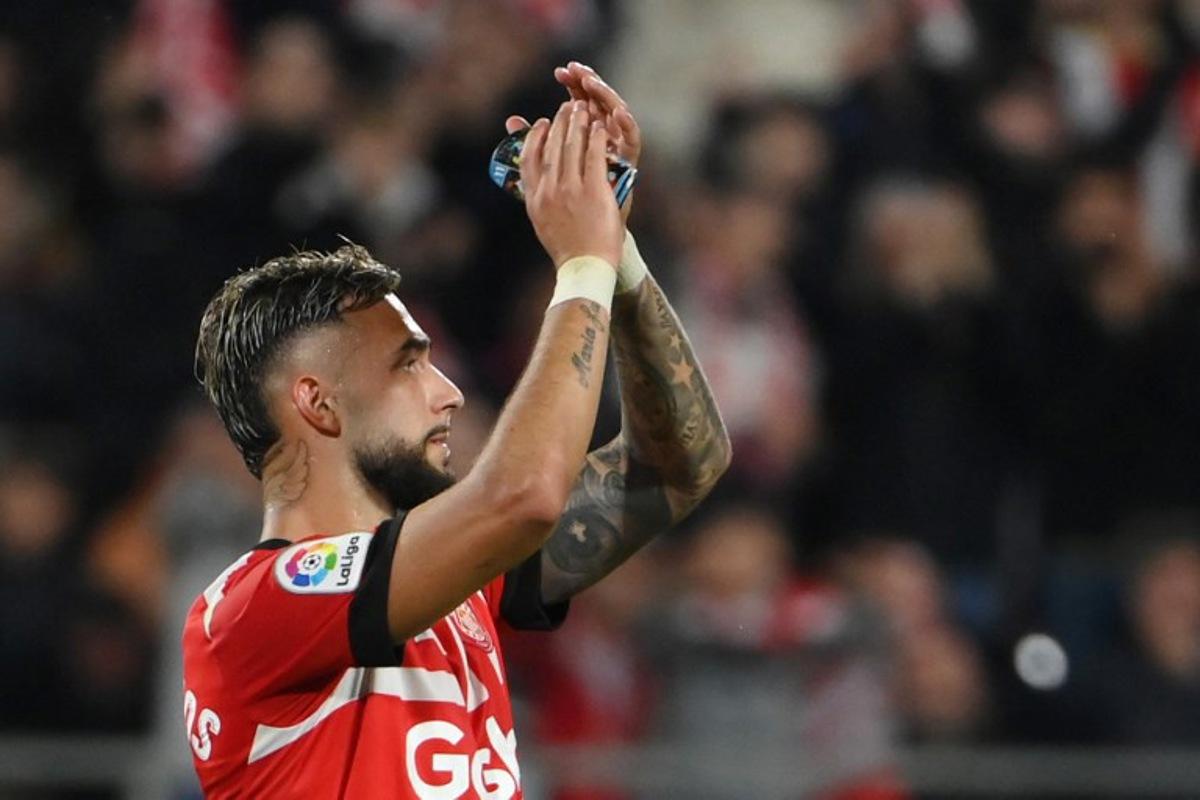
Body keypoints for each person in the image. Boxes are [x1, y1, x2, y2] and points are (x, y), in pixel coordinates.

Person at [181, 62, 731, 799]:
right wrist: (580, 264)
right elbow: (523, 498)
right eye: (409, 367)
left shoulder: (464, 586)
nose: (448, 394)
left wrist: (616, 247)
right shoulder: (252, 613)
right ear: (318, 404)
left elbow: (679, 464)